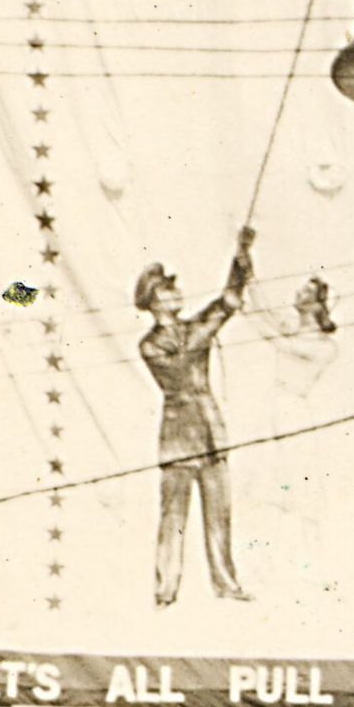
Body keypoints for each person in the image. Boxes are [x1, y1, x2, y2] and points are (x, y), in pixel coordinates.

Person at [136, 231, 256, 606]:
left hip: (211, 432)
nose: (176, 296)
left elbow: (227, 303)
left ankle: (226, 583)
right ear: (152, 302)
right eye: (166, 292)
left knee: (220, 513)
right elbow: (186, 356)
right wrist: (217, 315)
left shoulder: (192, 329)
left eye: (174, 290)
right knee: (173, 515)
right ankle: (165, 588)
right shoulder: (151, 344)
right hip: (178, 436)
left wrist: (241, 258)